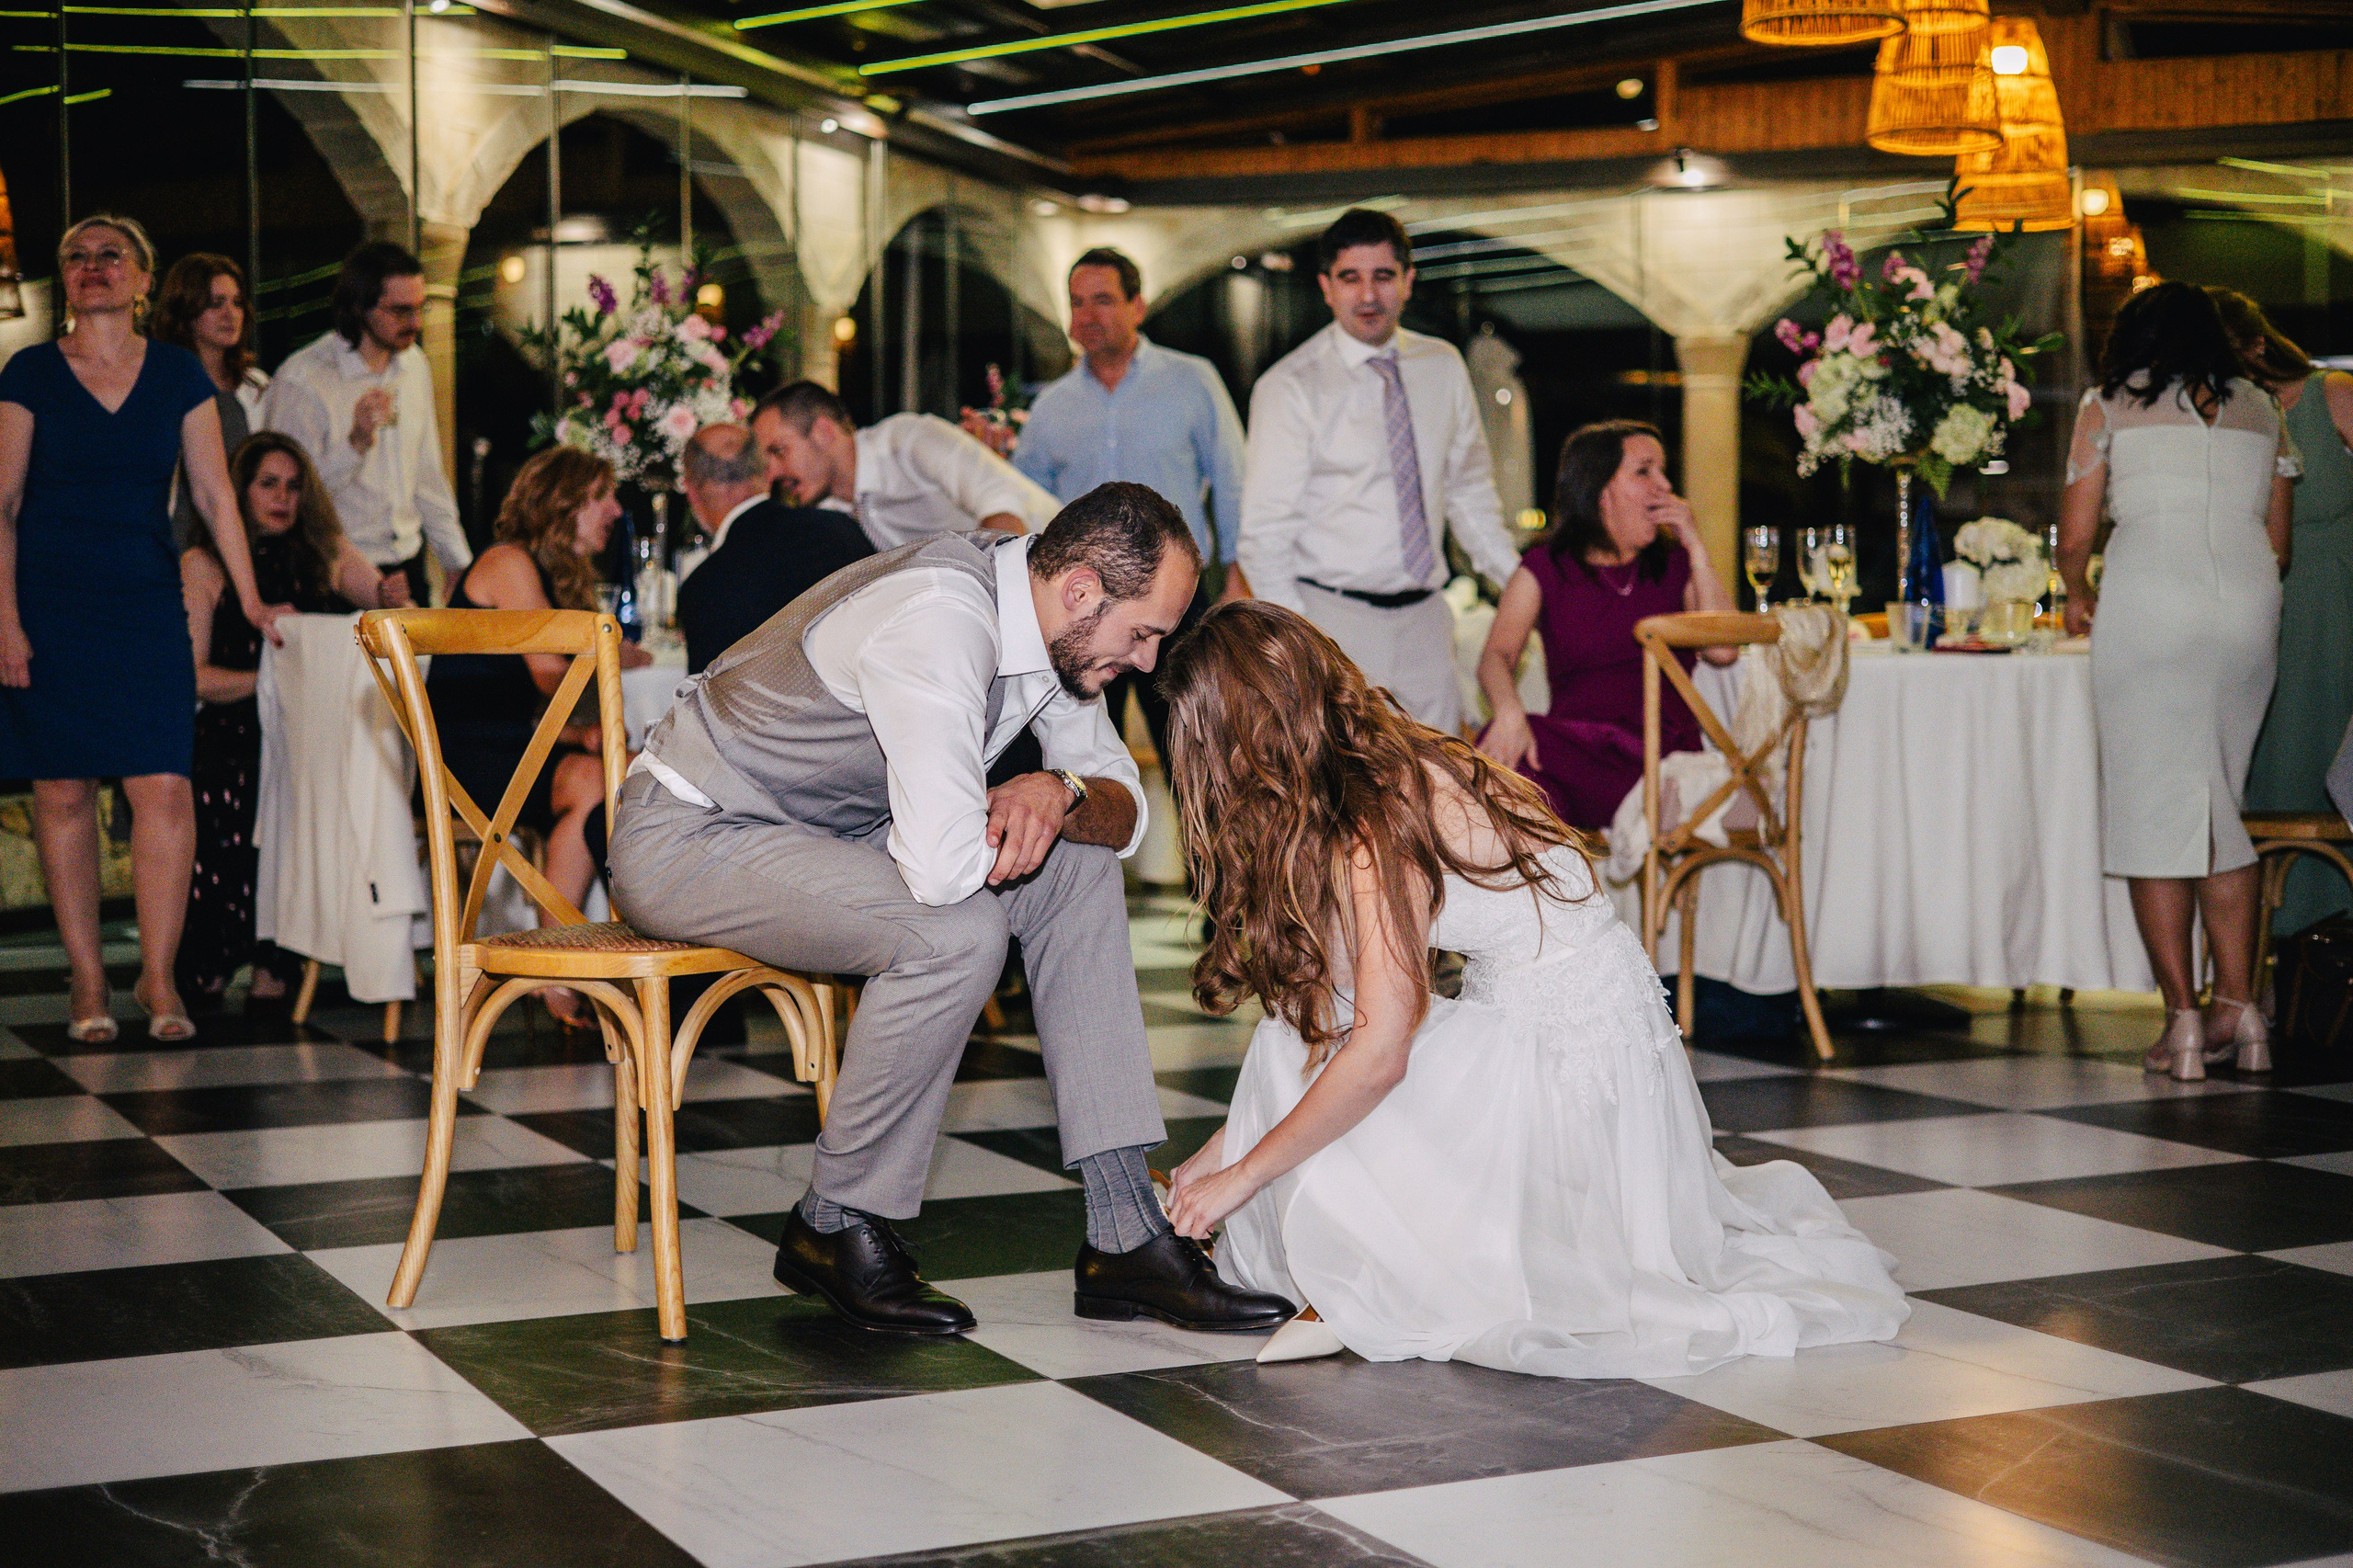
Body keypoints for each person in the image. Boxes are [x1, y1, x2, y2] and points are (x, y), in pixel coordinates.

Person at [608, 483, 1291, 1339]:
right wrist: (1030, 808)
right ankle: (835, 1221)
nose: (1149, 663)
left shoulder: (1062, 635)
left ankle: (1125, 1236)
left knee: (1073, 866)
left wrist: (1061, 790)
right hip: (690, 833)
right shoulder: (940, 621)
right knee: (956, 935)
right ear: (1082, 590)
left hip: (827, 841)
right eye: (1144, 633)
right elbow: (937, 876)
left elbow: (1126, 812)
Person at [1156, 603, 1907, 1374]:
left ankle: (1373, 1286)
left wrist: (1241, 1175)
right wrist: (1225, 1153)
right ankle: (1362, 1274)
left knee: (1334, 1062)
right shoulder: (1385, 762)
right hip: (1592, 1050)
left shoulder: (1372, 823)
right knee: (1306, 1032)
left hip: (1563, 1069)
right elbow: (1330, 1010)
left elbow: (1379, 1052)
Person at [0, 215, 290, 1043]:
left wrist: (253, 598)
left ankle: (158, 976)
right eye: (77, 258)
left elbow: (213, 497)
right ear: (64, 279)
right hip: (48, 609)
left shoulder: (175, 377)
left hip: (142, 604)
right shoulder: (27, 372)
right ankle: (88, 978)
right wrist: (5, 622)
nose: (93, 268)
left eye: (110, 256)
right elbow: (4, 506)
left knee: (161, 785)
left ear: (141, 279)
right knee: (60, 793)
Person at [2057, 281, 2295, 1081]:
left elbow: (2078, 533)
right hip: (2247, 611)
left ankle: (2183, 1024)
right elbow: (2280, 543)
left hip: (2151, 608)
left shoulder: (2108, 404)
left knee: (2153, 810)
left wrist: (2078, 591)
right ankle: (2243, 1010)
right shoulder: (2265, 411)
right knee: (2219, 801)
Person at [1238, 208, 1519, 733]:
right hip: (1332, 619)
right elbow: (1263, 535)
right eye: (1351, 278)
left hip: (1428, 620)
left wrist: (1520, 584)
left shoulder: (1443, 366)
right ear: (1326, 287)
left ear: (1408, 281)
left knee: (1435, 785)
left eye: (1383, 277)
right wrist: (1306, 647)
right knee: (1346, 796)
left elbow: (1469, 494)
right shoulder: (1290, 386)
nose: (1368, 296)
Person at [179, 433, 409, 1010]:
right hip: (231, 731)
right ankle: (212, 958)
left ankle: (277, 961)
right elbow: (193, 677)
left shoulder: (323, 550)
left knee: (306, 782)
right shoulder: (204, 564)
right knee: (230, 785)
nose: (283, 497)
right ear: (238, 490)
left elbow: (376, 594)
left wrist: (388, 590)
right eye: (267, 484)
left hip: (308, 737)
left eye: (294, 485)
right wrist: (266, 681)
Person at [425, 445, 651, 1025]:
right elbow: (550, 673)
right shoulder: (508, 562)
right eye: (599, 496)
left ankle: (557, 970)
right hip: (469, 753)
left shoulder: (550, 575)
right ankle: (568, 966)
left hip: (517, 742)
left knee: (598, 776)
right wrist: (610, 662)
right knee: (602, 775)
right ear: (561, 503)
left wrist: (589, 731)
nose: (614, 511)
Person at [1012, 247, 1249, 760]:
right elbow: (1022, 499)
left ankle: (1203, 845)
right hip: (1084, 609)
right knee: (1083, 757)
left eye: (1103, 300)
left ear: (1138, 306)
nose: (1087, 316)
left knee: (1194, 754)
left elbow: (1232, 479)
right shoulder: (1052, 406)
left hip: (1178, 603)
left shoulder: (1192, 380)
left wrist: (1238, 576)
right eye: (1077, 303)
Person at [1473, 422, 1735, 831]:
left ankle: (1554, 867)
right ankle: (1555, 881)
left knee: (1510, 781)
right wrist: (1509, 711)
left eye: (1663, 471)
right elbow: (1496, 656)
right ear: (1601, 489)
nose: (1664, 485)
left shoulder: (1674, 566)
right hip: (1579, 757)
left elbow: (1724, 650)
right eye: (1644, 471)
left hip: (1660, 758)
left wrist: (1697, 548)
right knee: (1505, 767)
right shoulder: (1545, 568)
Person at [2211, 289, 2353, 939]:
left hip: (2331, 606)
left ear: (2256, 347)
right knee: (2259, 767)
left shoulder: (2333, 395)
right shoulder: (2234, 413)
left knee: (2314, 758)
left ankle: (2324, 930)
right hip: (2253, 608)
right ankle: (2264, 946)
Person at [262, 241, 471, 608]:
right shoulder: (303, 380)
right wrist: (354, 445)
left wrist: (457, 563)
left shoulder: (414, 365)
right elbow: (290, 498)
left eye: (420, 309)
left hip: (407, 566)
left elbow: (427, 475)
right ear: (359, 307)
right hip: (332, 573)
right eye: (400, 311)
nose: (416, 324)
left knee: (418, 667)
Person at [753, 380, 1058, 551]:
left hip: (1067, 559)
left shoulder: (909, 439)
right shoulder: (828, 512)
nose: (773, 473)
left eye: (779, 451)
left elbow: (1005, 510)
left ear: (824, 432)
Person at [676, 422, 873, 676]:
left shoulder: (704, 586)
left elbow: (707, 707)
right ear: (767, 473)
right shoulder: (840, 529)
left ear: (692, 491)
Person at [151, 254, 270, 551]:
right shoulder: (160, 387)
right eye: (216, 304)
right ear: (186, 312)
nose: (230, 314)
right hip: (180, 541)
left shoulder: (257, 385)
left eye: (237, 302)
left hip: (248, 539)